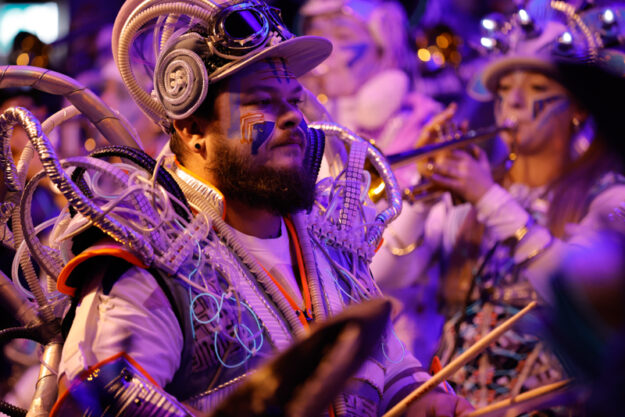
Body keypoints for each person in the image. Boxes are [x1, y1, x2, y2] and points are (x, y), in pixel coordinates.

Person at [49, 0, 471, 416]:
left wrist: (421, 399)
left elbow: (389, 367)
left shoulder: (330, 244)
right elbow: (103, 401)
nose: (292, 118)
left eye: (294, 102)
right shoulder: (151, 260)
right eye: (263, 102)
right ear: (193, 130)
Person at [408, 1, 625, 409]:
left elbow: (577, 296)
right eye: (505, 90)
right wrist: (421, 195)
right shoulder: (475, 191)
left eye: (538, 89)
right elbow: (386, 280)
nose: (515, 103)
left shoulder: (608, 197)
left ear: (579, 108)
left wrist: (489, 199)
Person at [298, 0, 446, 365]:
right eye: (317, 33)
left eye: (343, 34)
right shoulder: (298, 125)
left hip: (400, 335)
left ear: (384, 44)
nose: (328, 50)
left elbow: (395, 270)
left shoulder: (424, 124)